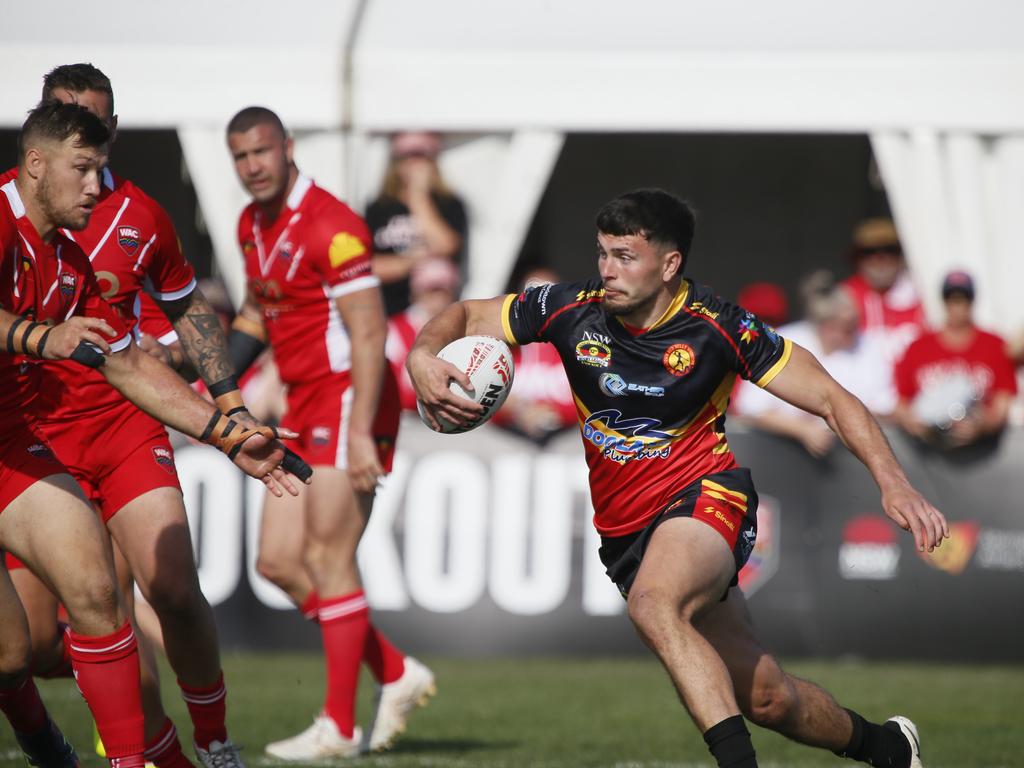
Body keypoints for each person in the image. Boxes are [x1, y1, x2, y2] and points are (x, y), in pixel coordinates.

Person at [407, 189, 948, 768]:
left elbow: (833, 399)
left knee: (654, 604)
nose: (607, 271)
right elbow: (466, 314)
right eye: (602, 254)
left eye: (624, 256)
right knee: (768, 698)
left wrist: (893, 481)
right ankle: (886, 747)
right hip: (626, 533)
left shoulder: (719, 327)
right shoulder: (571, 309)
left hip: (707, 498)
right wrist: (422, 354)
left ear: (669, 265)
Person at [1, 100, 298, 768]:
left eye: (101, 157)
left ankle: (177, 751)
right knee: (20, 654)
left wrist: (226, 429)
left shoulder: (78, 253)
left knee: (112, 595)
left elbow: (129, 358)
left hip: (63, 439)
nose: (94, 178)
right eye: (82, 162)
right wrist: (37, 335)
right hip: (38, 434)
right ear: (38, 158)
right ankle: (46, 737)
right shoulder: (1, 219)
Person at [225, 107, 435, 759]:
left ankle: (338, 728)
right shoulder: (250, 225)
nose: (252, 166)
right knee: (279, 564)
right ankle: (396, 672)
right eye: (240, 156)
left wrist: (364, 435)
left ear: (287, 148)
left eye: (262, 151)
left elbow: (370, 332)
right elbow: (258, 317)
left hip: (349, 402)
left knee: (327, 559)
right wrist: (209, 380)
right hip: (300, 406)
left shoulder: (332, 224)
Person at [733, 272, 895, 457]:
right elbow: (751, 407)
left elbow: (883, 407)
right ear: (825, 325)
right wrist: (802, 430)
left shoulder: (867, 346)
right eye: (845, 326)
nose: (853, 332)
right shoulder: (784, 342)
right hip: (783, 456)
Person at [893, 270, 1017, 448]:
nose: (958, 306)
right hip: (930, 451)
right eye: (952, 299)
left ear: (972, 301)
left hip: (982, 450)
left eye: (963, 299)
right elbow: (901, 403)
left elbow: (1003, 403)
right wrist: (914, 422)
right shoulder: (919, 347)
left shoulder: (994, 345)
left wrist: (982, 426)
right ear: (944, 301)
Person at [366, 131, 467, 316]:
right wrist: (413, 261)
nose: (414, 164)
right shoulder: (379, 207)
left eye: (421, 156)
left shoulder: (449, 203)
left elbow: (447, 245)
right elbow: (368, 266)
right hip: (389, 313)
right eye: (406, 157)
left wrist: (418, 196)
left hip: (436, 311)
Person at [490, 267, 577, 444]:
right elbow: (482, 400)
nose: (541, 305)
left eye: (549, 296)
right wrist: (519, 411)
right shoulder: (501, 348)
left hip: (566, 446)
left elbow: (598, 400)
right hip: (509, 444)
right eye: (533, 296)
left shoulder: (578, 346)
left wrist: (551, 413)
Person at [841, 218, 927, 396]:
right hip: (865, 400)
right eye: (870, 252)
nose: (880, 259)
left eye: (889, 250)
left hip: (915, 399)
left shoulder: (923, 293)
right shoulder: (846, 296)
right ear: (858, 258)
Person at [386, 256, 462, 411]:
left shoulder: (462, 329)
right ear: (417, 292)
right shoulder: (395, 329)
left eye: (444, 291)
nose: (438, 299)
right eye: (432, 291)